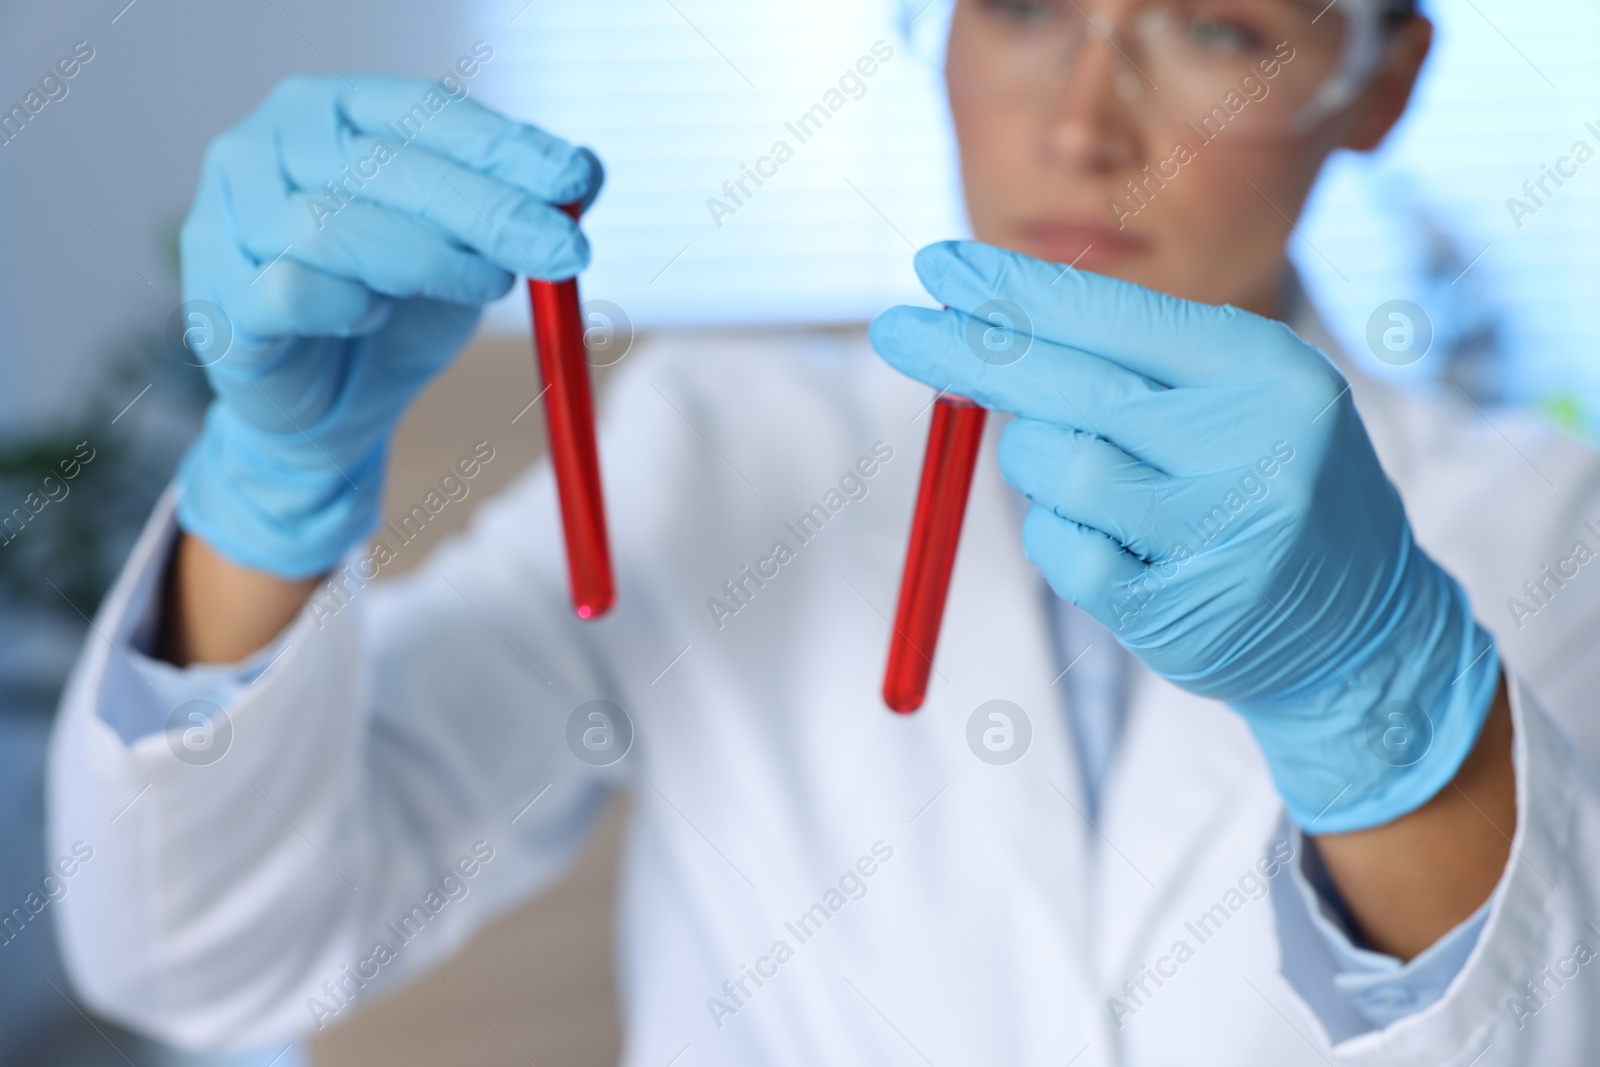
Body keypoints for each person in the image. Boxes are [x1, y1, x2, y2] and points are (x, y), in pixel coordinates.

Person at [48, 0, 1600, 1062]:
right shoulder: (719, 447)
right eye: (1022, 6)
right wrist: (275, 492)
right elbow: (198, 954)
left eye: (1214, 29)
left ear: (1381, 83)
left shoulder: (1550, 525)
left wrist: (1388, 709)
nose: (1082, 124)